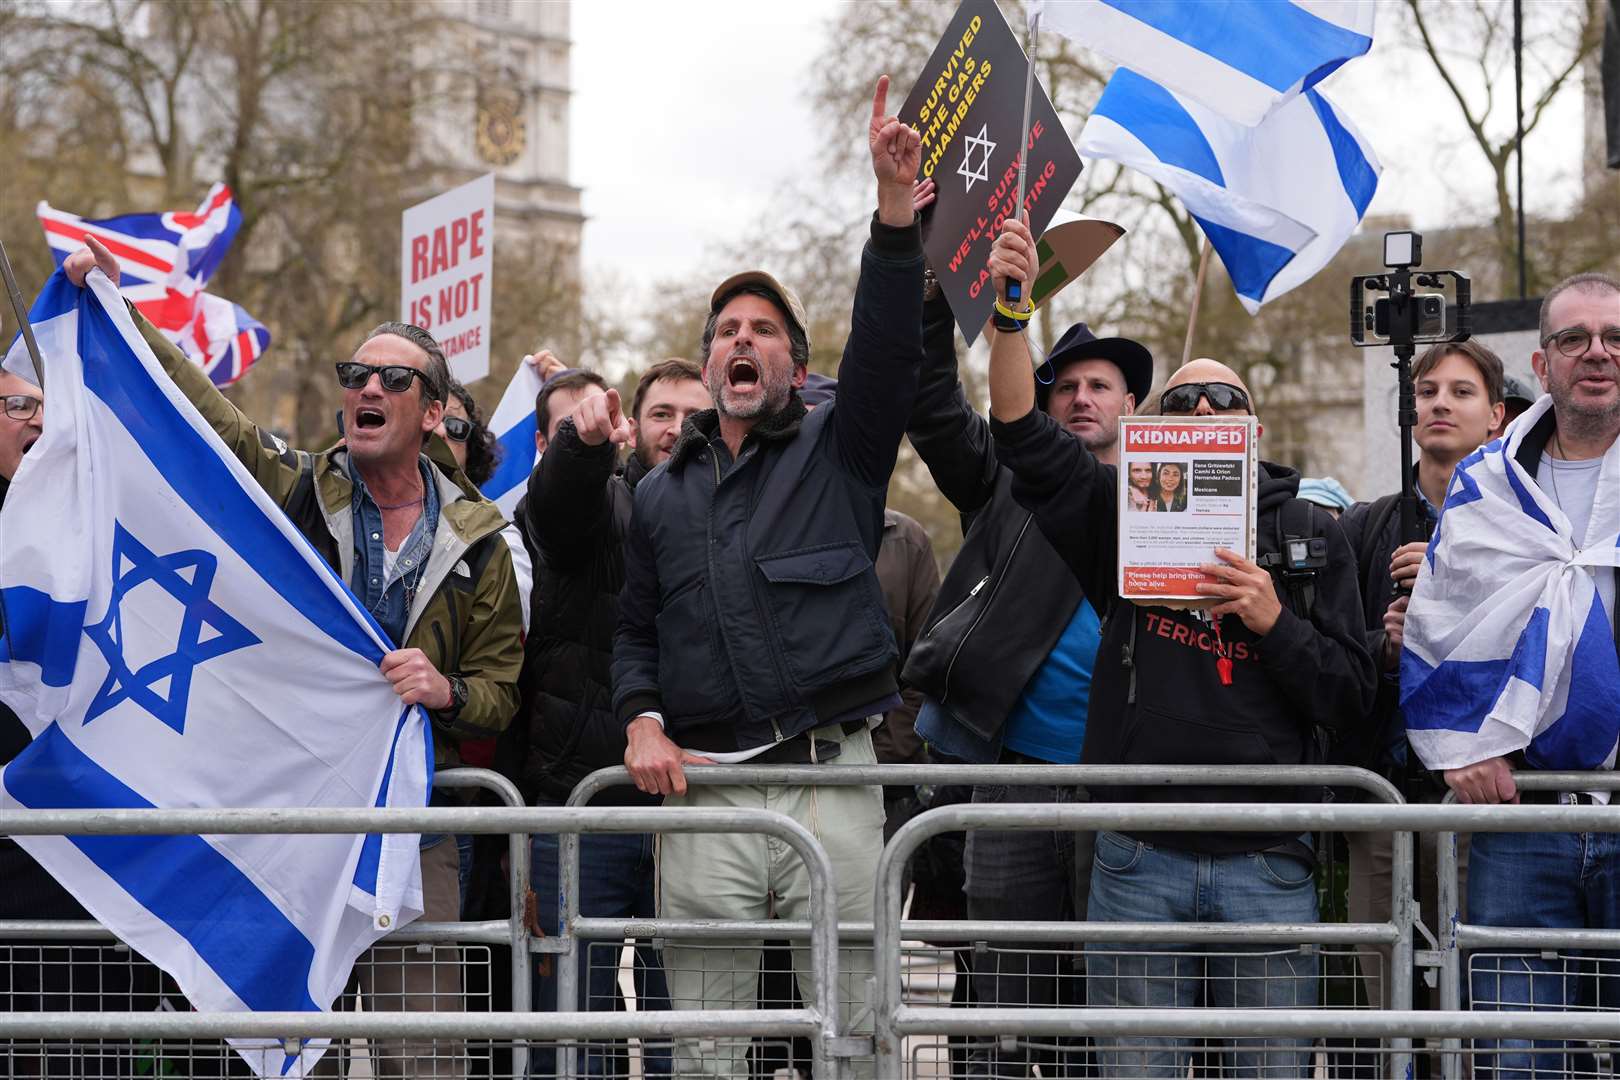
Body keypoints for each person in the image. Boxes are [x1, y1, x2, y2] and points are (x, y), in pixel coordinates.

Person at [64, 238, 523, 1080]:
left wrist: (446, 690)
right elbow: (211, 419)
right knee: (274, 1046)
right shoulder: (301, 489)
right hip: (287, 814)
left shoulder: (481, 545)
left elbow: (501, 694)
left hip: (410, 834)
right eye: (357, 376)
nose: (368, 390)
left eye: (392, 380)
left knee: (420, 1058)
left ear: (433, 412)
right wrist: (123, 314)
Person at [981, 218, 1375, 1078]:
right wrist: (1012, 317)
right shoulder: (1119, 517)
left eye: (1224, 402)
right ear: (1151, 429)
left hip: (1269, 859)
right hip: (1138, 858)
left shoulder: (1313, 531)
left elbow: (1352, 698)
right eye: (1182, 403)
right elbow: (1018, 431)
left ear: (1254, 430)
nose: (1202, 411)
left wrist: (1276, 620)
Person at [610, 75, 923, 1079]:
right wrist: (643, 720)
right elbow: (633, 637)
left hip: (837, 786)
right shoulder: (658, 496)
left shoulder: (845, 450)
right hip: (708, 801)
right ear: (709, 369)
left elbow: (886, 345)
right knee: (706, 1054)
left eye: (764, 329)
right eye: (726, 332)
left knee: (854, 1042)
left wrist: (890, 212)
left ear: (795, 361)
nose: (741, 339)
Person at [904, 257, 1151, 1076]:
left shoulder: (1179, 508)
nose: (1082, 398)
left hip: (1130, 788)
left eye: (1101, 386)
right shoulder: (1006, 483)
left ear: (1135, 407)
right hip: (1014, 775)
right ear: (1036, 406)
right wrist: (939, 301)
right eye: (1064, 386)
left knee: (1107, 1012)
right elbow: (936, 410)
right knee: (1002, 1005)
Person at [1402, 272, 1619, 1079]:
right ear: (1544, 359)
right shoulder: (1487, 485)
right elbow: (1443, 628)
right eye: (1574, 339)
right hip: (1522, 815)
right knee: (1519, 1055)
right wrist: (1463, 746)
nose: (1597, 353)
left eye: (1615, 338)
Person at [508, 357, 708, 1078]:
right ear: (635, 426)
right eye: (661, 413)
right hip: (580, 804)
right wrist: (582, 446)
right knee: (570, 1030)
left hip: (694, 813)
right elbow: (554, 510)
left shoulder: (733, 519)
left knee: (680, 1032)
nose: (676, 428)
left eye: (693, 412)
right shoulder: (602, 501)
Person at [1338, 340, 1505, 1013]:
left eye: (1461, 392)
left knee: (1482, 1012)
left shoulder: (1524, 527)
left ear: (1496, 414)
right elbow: (1332, 657)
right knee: (1393, 1015)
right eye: (1428, 391)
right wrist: (1386, 646)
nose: (1441, 404)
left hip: (1490, 807)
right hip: (1389, 802)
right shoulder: (1363, 528)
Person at [436, 380, 501, 488]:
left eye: (455, 426)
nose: (440, 431)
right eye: (431, 420)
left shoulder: (484, 504)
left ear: (470, 450)